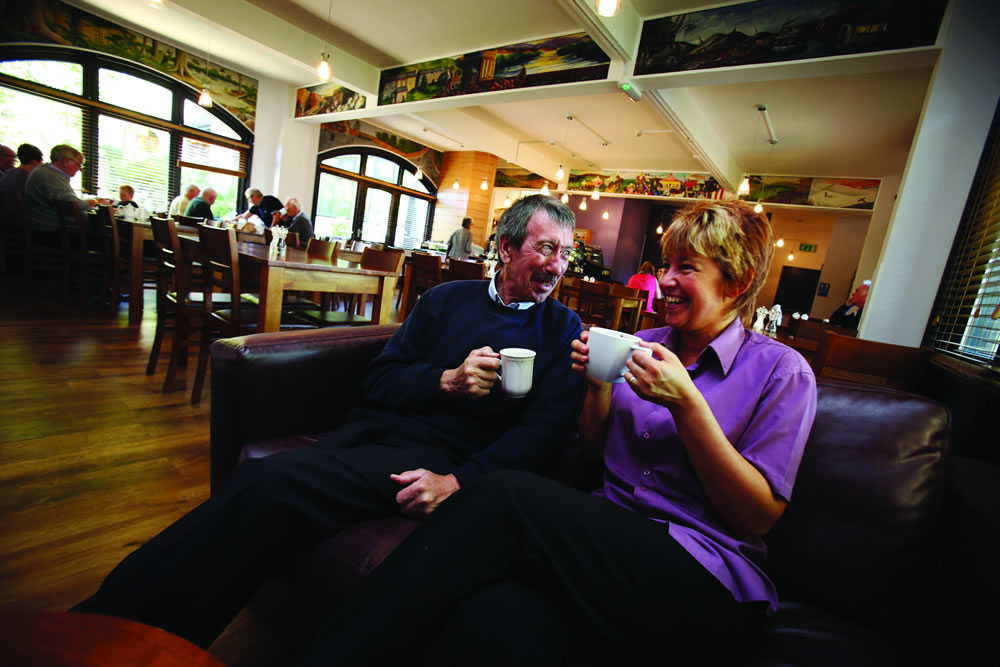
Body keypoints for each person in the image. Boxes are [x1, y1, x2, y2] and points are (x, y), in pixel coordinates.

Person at [301, 199, 818, 666]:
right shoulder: (644, 342)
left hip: (703, 577)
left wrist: (687, 405)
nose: (666, 279)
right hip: (601, 548)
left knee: (504, 495)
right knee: (489, 625)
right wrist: (597, 389)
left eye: (687, 267)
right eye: (666, 265)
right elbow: (594, 459)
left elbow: (757, 516)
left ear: (739, 281)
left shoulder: (782, 371)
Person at [72, 194, 585, 651]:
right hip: (374, 432)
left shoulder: (564, 330)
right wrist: (445, 381)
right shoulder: (444, 300)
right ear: (506, 248)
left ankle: (113, 636)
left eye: (564, 253)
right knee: (261, 484)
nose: (556, 265)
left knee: (274, 484)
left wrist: (459, 483)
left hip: (438, 460)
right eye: (545, 249)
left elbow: (542, 433)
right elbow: (380, 380)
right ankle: (120, 634)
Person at [24, 144, 109, 238]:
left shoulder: (44, 171)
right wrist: (96, 202)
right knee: (106, 237)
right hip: (51, 232)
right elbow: (72, 204)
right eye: (79, 165)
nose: (80, 169)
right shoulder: (51, 176)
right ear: (66, 162)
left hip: (44, 227)